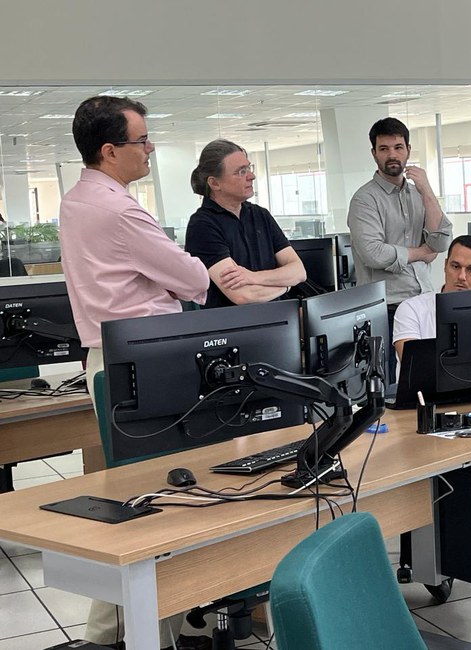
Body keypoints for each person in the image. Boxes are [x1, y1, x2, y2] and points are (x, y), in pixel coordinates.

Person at [58, 95, 211, 650]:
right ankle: (138, 630)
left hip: (111, 361)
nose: (150, 149)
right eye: (141, 140)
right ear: (109, 150)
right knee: (155, 499)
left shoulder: (76, 199)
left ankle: (132, 630)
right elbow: (193, 278)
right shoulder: (121, 210)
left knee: (139, 495)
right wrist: (167, 280)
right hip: (145, 365)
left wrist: (158, 280)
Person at [347, 117, 453, 382]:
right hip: (387, 306)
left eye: (398, 147)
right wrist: (419, 252)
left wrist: (427, 189)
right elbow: (373, 253)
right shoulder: (364, 200)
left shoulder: (419, 195)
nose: (392, 155)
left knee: (431, 378)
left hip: (424, 300)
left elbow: (440, 242)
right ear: (374, 154)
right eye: (384, 149)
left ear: (407, 149)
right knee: (390, 384)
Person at [184, 139, 306, 308]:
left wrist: (252, 277)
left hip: (278, 321)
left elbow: (299, 271)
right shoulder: (202, 225)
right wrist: (286, 285)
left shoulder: (260, 215)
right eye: (241, 172)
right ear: (214, 183)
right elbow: (243, 295)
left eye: (249, 168)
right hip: (234, 328)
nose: (251, 176)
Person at [392, 234, 471, 363]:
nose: (462, 276)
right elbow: (414, 366)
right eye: (455, 266)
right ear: (445, 265)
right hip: (427, 383)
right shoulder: (411, 309)